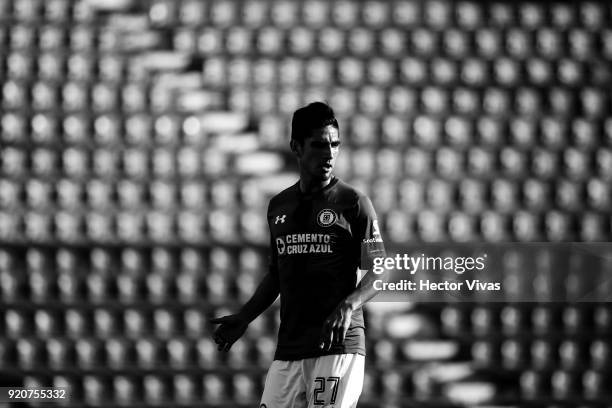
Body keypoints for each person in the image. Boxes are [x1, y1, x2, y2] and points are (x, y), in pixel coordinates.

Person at [211, 102, 386, 408]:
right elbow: (277, 274)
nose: (329, 153)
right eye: (319, 145)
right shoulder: (279, 206)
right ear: (296, 147)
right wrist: (245, 317)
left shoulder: (353, 203)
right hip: (290, 348)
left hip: (338, 347)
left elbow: (381, 271)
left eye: (335, 144)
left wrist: (349, 304)